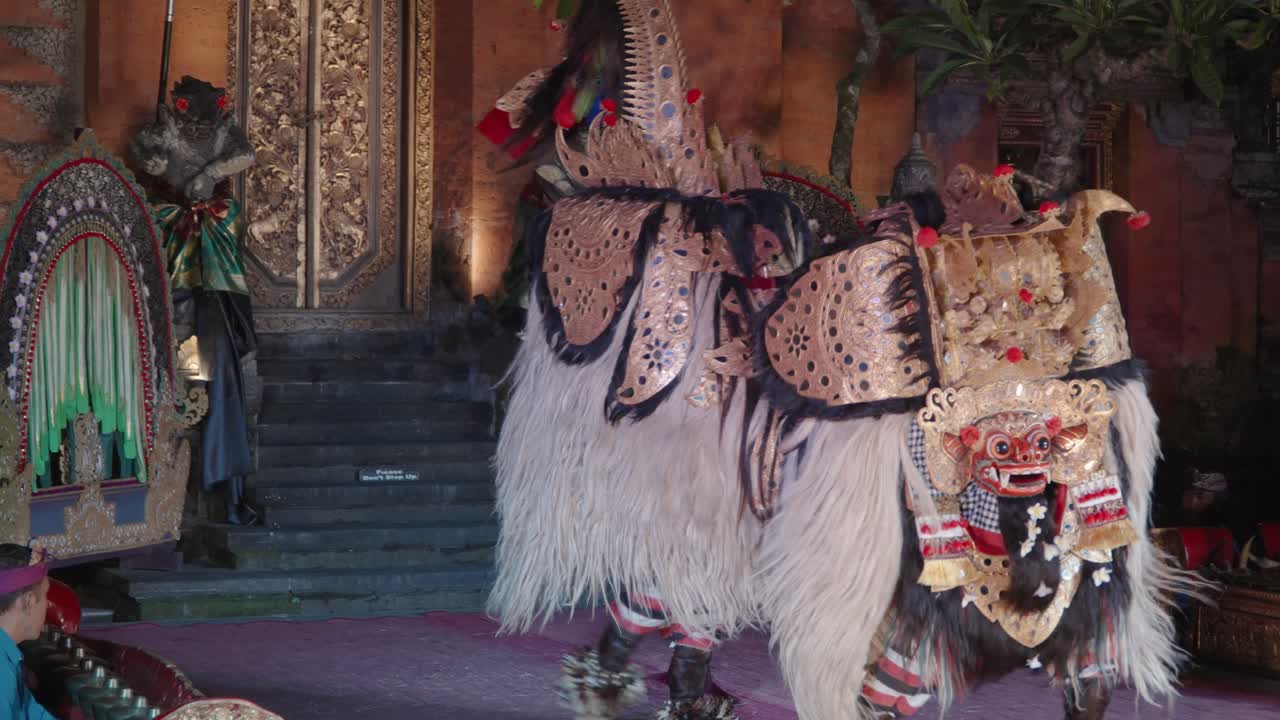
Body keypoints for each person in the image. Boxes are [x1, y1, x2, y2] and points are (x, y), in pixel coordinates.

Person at [0, 544, 55, 720]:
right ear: (30, 601)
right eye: (45, 595)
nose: (47, 604)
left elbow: (31, 712)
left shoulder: (8, 658)